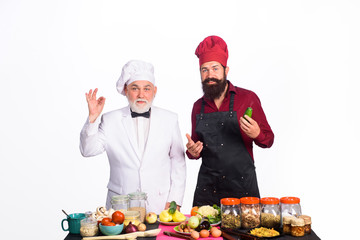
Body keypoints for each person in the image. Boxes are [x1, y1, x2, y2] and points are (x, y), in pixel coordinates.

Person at [80, 60, 186, 214]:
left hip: (159, 205)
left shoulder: (170, 119)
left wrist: (175, 201)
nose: (141, 94)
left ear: (154, 90)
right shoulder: (110, 119)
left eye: (147, 89)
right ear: (126, 90)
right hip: (120, 206)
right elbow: (87, 150)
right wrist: (93, 118)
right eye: (135, 88)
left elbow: (178, 162)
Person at [186, 36, 274, 206]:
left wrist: (257, 134)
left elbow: (268, 140)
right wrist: (192, 152)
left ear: (226, 70)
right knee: (205, 232)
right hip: (207, 189)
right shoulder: (198, 106)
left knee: (246, 232)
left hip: (242, 188)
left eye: (215, 68)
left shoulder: (248, 98)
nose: (210, 75)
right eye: (204, 70)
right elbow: (195, 148)